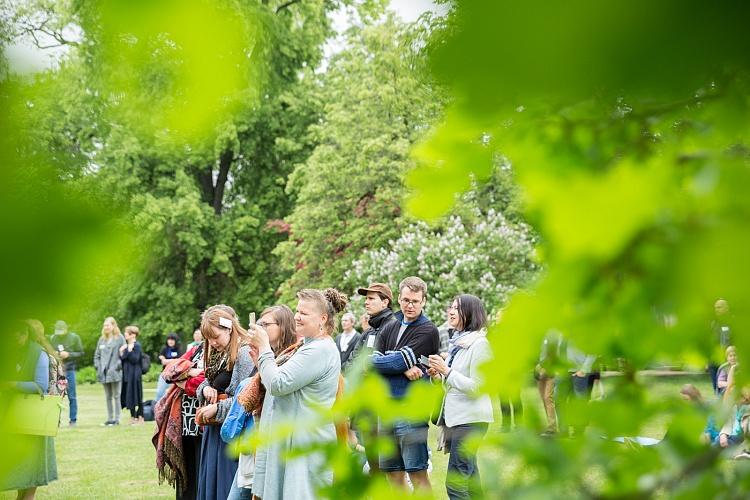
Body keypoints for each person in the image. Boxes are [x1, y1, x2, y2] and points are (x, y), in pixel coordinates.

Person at [249, 288, 347, 500]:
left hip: (305, 442)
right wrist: (261, 361)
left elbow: (278, 384)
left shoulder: (319, 349)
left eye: (304, 312)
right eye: (297, 311)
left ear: (322, 318)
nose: (296, 316)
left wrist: (265, 347)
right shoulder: (307, 346)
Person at [372, 276, 440, 492]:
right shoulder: (390, 325)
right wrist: (399, 363)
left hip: (410, 409)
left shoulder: (427, 330)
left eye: (415, 301)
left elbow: (395, 361)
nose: (410, 305)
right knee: (392, 474)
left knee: (417, 473)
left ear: (424, 301)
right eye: (406, 300)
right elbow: (369, 361)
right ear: (399, 299)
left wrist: (395, 361)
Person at [428, 294, 494, 500]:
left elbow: (479, 387)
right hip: (459, 420)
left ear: (470, 313)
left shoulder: (480, 344)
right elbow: (452, 382)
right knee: (472, 482)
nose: (450, 311)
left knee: (455, 485)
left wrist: (446, 371)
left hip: (471, 421)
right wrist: (438, 376)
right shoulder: (459, 343)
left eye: (456, 308)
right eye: (450, 307)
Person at [231, 304, 299, 500]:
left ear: (284, 326)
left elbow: (277, 387)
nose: (260, 328)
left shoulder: (293, 356)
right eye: (259, 324)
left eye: (265, 324)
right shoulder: (264, 355)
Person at [195, 305, 254, 500]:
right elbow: (207, 380)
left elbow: (247, 399)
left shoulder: (245, 353)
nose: (212, 342)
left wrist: (217, 408)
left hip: (232, 433)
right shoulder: (220, 352)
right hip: (215, 431)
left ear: (229, 328)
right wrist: (205, 388)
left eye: (216, 336)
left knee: (227, 488)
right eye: (208, 339)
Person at [1, 320, 59, 499]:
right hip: (15, 416)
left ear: (28, 334)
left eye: (20, 334)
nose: (15, 338)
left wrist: (11, 385)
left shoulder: (38, 354)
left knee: (31, 476)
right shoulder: (13, 352)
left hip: (33, 418)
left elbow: (40, 386)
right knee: (22, 479)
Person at [352, 282, 400, 475]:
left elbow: (395, 363)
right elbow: (354, 363)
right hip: (365, 405)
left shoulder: (394, 326)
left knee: (389, 466)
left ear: (385, 302)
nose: (366, 302)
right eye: (366, 298)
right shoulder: (369, 331)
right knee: (373, 463)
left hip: (383, 405)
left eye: (371, 298)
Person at [153, 329, 206, 500]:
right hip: (184, 423)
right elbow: (169, 370)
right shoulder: (198, 349)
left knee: (200, 473)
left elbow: (205, 382)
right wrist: (190, 371)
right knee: (186, 472)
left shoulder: (223, 353)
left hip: (204, 423)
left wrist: (183, 379)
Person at [49, 319, 83, 427]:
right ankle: (55, 420)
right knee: (56, 396)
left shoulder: (74, 338)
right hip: (56, 372)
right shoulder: (52, 338)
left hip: (69, 370)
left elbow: (81, 353)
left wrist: (69, 354)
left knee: (72, 396)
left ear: (66, 329)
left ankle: (73, 420)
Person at [94, 316, 126, 426]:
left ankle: (117, 419)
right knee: (108, 396)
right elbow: (97, 355)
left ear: (113, 326)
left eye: (108, 325)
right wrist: (98, 367)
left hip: (115, 372)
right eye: (105, 325)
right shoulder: (102, 339)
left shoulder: (120, 338)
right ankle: (110, 418)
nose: (106, 327)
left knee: (116, 395)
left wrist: (117, 366)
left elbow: (123, 356)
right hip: (103, 373)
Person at [119, 325, 145, 425]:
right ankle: (133, 417)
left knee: (137, 395)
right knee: (129, 395)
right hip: (127, 374)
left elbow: (135, 359)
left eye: (127, 333)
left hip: (135, 375)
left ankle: (140, 417)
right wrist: (122, 351)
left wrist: (129, 350)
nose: (125, 335)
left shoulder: (137, 345)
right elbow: (122, 359)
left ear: (133, 335)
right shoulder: (127, 346)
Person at [708, 298, 733, 393]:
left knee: (727, 386)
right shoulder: (713, 324)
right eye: (715, 308)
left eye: (719, 307)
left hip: (728, 360)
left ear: (727, 308)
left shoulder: (733, 323)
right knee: (716, 386)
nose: (716, 310)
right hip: (714, 360)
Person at [156, 333, 183, 402]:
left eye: (172, 340)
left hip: (175, 375)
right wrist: (163, 359)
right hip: (164, 373)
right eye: (169, 339)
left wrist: (166, 360)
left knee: (172, 394)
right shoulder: (164, 348)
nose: (170, 341)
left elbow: (180, 360)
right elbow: (160, 359)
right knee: (159, 392)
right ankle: (156, 409)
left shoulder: (179, 349)